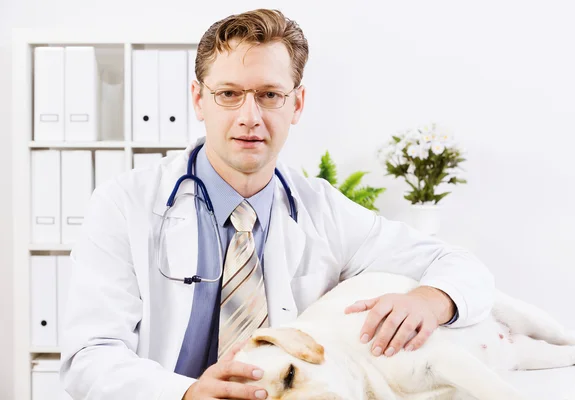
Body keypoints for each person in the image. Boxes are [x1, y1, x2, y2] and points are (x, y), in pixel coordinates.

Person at [60, 8, 494, 400]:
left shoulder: (323, 210)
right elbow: (89, 357)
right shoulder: (125, 204)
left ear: (296, 103)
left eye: (270, 95)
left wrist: (432, 298)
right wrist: (186, 394)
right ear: (199, 99)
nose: (250, 116)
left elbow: (461, 265)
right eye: (228, 94)